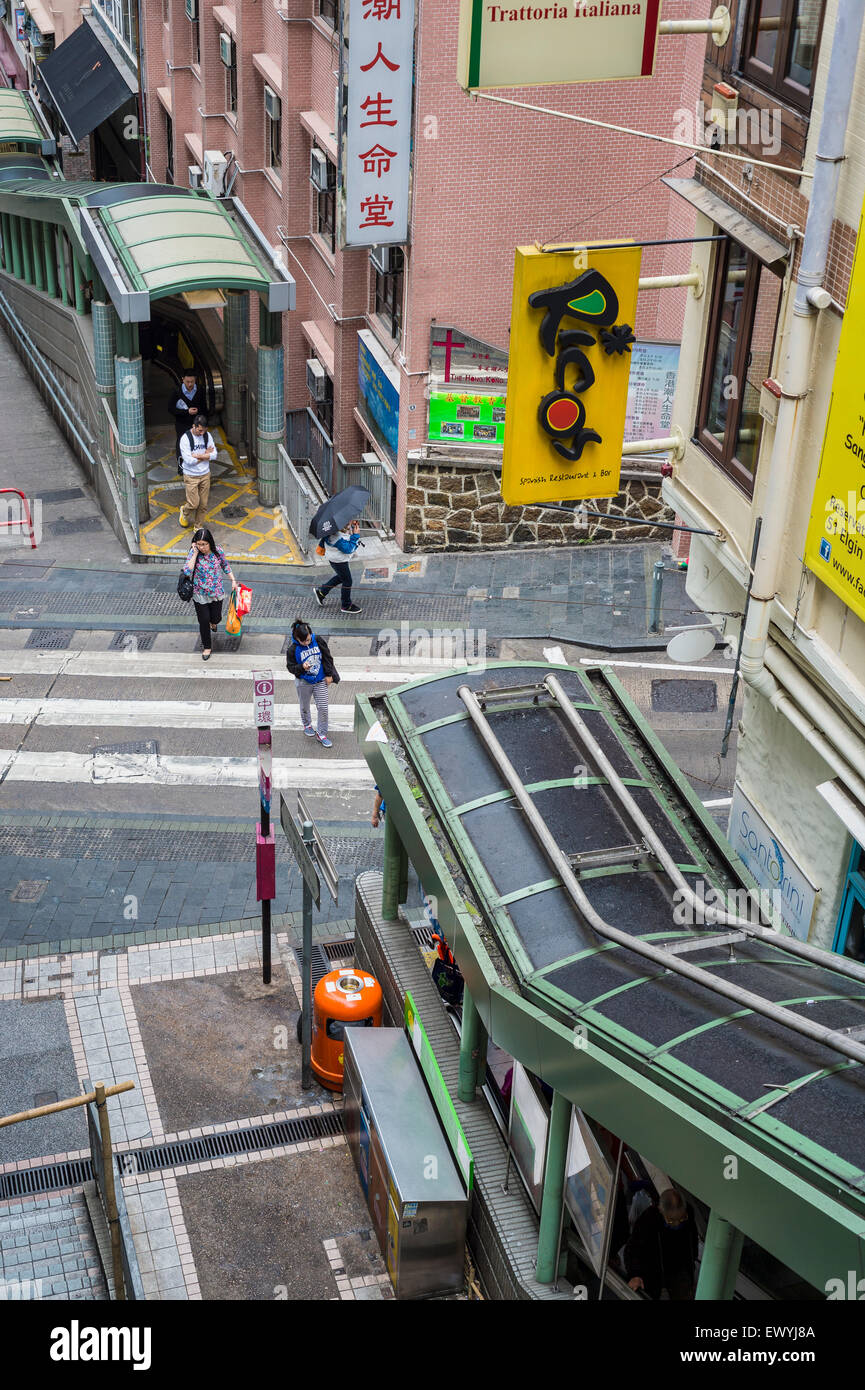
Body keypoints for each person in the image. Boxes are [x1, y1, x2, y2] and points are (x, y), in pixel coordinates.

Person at [624, 1188, 697, 1300]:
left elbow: (692, 1240)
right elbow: (633, 1250)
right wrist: (635, 1274)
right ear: (660, 1210)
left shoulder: (689, 1213)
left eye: (681, 1219)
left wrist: (691, 1265)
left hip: (679, 1269)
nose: (677, 1224)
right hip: (654, 1272)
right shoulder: (648, 1220)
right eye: (671, 1221)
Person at [181, 528, 236, 661]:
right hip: (199, 594)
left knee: (216, 618)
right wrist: (194, 553)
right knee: (203, 620)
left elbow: (225, 565)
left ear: (210, 543)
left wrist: (233, 580)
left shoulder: (218, 552)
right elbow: (187, 571)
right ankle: (207, 646)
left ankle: (214, 623)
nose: (202, 547)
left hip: (216, 592)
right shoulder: (194, 553)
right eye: (199, 544)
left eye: (204, 544)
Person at [285, 619, 339, 748]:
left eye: (308, 639)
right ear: (297, 638)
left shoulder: (318, 640)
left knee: (323, 708)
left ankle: (322, 734)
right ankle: (307, 724)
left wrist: (329, 674)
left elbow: (327, 657)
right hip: (303, 682)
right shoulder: (292, 650)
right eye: (304, 641)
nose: (307, 642)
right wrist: (301, 667)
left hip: (320, 680)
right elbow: (290, 668)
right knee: (304, 706)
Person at [314, 518, 362, 614]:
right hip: (339, 561)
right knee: (347, 581)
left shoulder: (333, 530)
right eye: (348, 520)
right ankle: (346, 605)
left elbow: (345, 536)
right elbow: (348, 549)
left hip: (335, 559)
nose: (351, 520)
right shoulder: (336, 537)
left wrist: (350, 526)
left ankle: (322, 592)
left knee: (342, 577)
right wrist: (356, 535)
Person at [179, 415, 218, 529]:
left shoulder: (207, 435)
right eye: (200, 430)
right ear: (194, 426)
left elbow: (214, 455)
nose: (202, 433)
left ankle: (198, 527)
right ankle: (184, 511)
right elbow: (189, 461)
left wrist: (198, 455)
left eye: (204, 431)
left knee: (203, 505)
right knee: (194, 503)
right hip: (191, 475)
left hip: (205, 474)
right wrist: (206, 454)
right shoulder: (185, 439)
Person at [168, 370, 205, 472]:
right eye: (187, 382)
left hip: (196, 424)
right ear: (183, 379)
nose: (190, 384)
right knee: (182, 444)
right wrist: (186, 412)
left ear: (195, 380)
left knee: (197, 444)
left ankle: (196, 465)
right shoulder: (176, 391)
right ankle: (181, 467)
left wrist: (199, 413)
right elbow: (170, 409)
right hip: (182, 423)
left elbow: (204, 408)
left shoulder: (200, 390)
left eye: (192, 382)